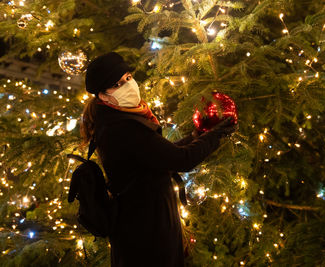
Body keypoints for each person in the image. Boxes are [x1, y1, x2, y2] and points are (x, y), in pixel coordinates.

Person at [80, 52, 237, 267]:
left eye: (128, 77)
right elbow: (181, 160)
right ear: (103, 96)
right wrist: (217, 134)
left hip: (143, 223)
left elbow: (159, 156)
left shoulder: (120, 119)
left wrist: (195, 137)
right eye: (118, 84)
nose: (129, 85)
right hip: (144, 232)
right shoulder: (121, 128)